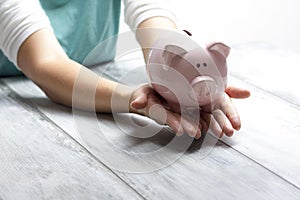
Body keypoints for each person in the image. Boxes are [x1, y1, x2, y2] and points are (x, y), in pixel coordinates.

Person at [0, 0, 250, 139]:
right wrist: (131, 98)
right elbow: (46, 63)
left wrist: (181, 75)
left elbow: (150, 13)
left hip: (98, 70)